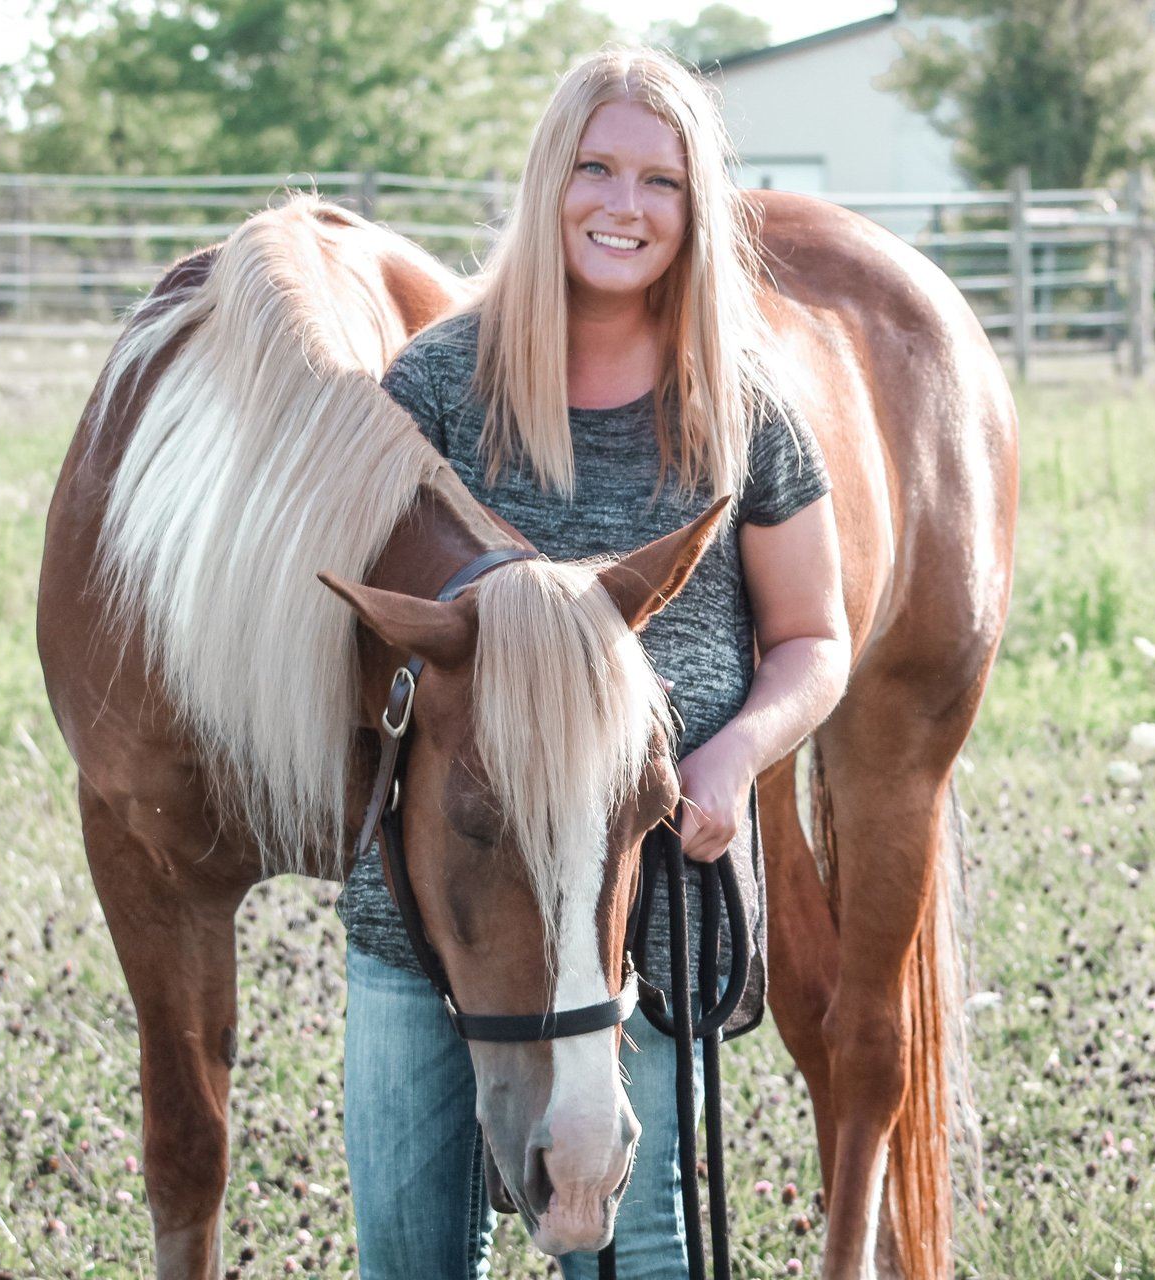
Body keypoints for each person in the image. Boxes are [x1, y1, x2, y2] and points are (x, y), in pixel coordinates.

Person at [337, 45, 851, 1280]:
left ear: (698, 207)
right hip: (439, 905)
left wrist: (727, 758)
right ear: (547, 180)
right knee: (409, 1256)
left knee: (638, 1253)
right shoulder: (439, 385)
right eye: (596, 168)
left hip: (645, 895)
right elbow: (360, 642)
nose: (625, 206)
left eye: (662, 182)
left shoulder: (741, 402)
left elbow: (815, 637)